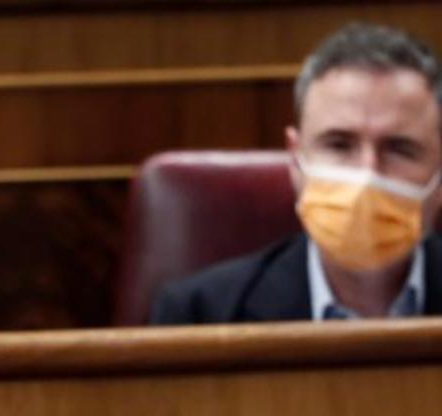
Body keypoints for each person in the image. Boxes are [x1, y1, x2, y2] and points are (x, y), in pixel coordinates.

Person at [151, 23, 442, 324]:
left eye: (399, 149)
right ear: (295, 159)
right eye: (339, 145)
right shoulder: (199, 314)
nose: (366, 176)